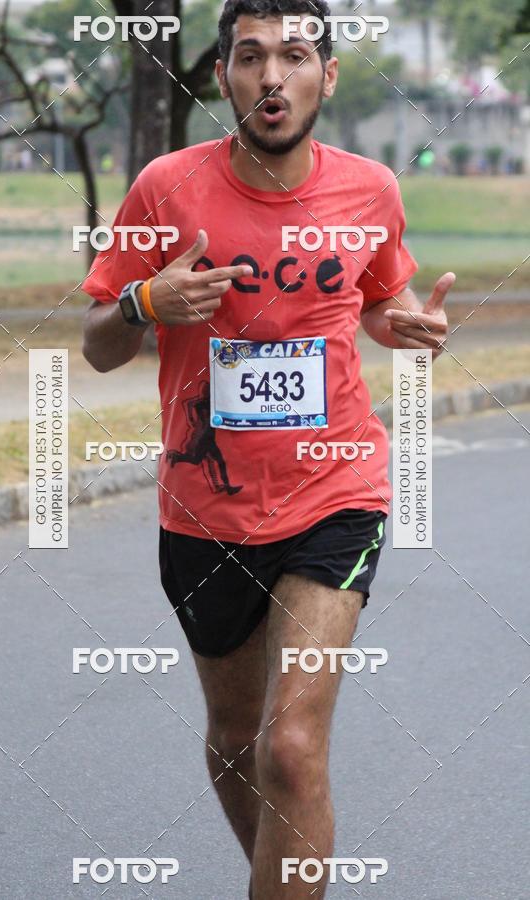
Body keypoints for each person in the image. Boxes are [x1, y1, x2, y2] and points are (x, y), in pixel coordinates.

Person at [81, 1, 453, 896]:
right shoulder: (166, 189)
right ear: (223, 77)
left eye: (295, 55)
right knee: (237, 738)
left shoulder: (370, 189)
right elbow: (96, 343)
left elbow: (373, 294)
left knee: (291, 745)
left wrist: (398, 324)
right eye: (251, 57)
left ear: (327, 73)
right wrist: (142, 305)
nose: (272, 76)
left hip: (336, 495)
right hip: (203, 508)